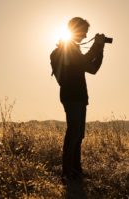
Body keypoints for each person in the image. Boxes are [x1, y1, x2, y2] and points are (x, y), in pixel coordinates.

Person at [50, 17, 106, 182]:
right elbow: (86, 61)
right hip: (72, 96)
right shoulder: (65, 50)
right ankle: (67, 173)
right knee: (73, 133)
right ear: (76, 30)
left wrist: (100, 48)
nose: (84, 35)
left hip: (79, 97)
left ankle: (75, 171)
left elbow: (92, 68)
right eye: (84, 32)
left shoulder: (73, 50)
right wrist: (97, 45)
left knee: (78, 135)